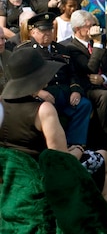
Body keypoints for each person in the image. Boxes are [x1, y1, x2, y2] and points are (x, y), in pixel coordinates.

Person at [0, 48, 107, 202]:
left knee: (102, 159)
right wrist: (79, 149)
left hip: (13, 177)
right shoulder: (43, 110)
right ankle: (93, 221)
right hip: (45, 178)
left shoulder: (2, 104)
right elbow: (61, 161)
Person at [15, 13, 92, 148]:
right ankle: (52, 147)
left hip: (65, 93)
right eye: (43, 30)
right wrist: (37, 92)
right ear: (33, 32)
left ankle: (75, 144)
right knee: (45, 108)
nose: (48, 34)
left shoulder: (61, 49)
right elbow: (20, 79)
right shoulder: (24, 51)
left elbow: (72, 73)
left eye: (50, 30)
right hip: (42, 95)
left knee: (84, 105)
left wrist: (75, 90)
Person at [62, 10, 107, 140]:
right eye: (90, 26)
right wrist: (97, 44)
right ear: (78, 29)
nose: (95, 29)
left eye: (95, 24)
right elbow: (90, 68)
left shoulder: (98, 44)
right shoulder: (72, 48)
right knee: (104, 96)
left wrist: (104, 78)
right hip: (86, 88)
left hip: (104, 85)